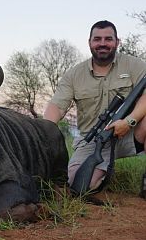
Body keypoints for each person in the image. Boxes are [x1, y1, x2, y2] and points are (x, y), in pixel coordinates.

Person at [43, 20, 146, 191]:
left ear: (117, 42)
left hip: (128, 133)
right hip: (92, 140)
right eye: (97, 39)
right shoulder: (73, 74)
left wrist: (129, 122)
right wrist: (44, 131)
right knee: (78, 187)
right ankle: (101, 170)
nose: (103, 44)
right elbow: (57, 106)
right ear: (89, 42)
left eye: (108, 39)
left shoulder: (135, 65)